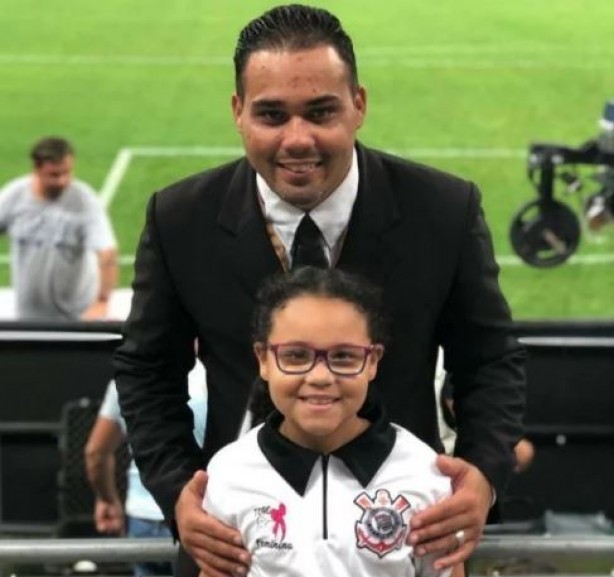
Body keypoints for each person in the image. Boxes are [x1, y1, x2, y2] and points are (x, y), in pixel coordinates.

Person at [114, 5, 526, 577]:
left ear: (359, 103)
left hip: (401, 540)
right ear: (238, 112)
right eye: (271, 115)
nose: (297, 139)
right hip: (234, 548)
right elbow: (146, 369)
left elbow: (490, 358)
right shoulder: (180, 217)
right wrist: (180, 491)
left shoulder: (443, 210)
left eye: (320, 111)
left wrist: (482, 472)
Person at [204, 266, 462, 577]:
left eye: (343, 356)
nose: (320, 377)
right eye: (296, 355)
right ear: (263, 359)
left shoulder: (423, 472)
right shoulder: (230, 472)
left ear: (373, 361)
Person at [85, 364, 207, 577]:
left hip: (142, 519)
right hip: (199, 516)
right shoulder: (218, 378)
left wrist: (106, 499)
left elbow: (96, 453)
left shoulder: (127, 379)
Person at [0, 136, 118, 321]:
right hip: (28, 318)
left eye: (67, 172)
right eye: (54, 175)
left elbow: (107, 253)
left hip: (78, 317)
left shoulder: (84, 201)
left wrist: (101, 302)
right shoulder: (14, 197)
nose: (63, 181)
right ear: (37, 169)